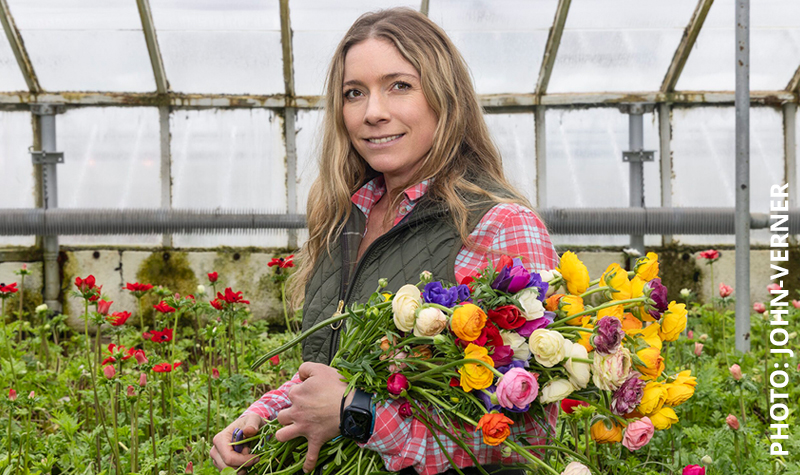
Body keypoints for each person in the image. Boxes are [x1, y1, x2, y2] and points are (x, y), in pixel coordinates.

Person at [210, 7, 560, 475]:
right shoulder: (343, 217)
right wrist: (267, 413)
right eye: (354, 93)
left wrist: (359, 415)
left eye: (399, 85)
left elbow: (526, 434)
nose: (373, 112)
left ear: (445, 97)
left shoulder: (499, 225)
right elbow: (329, 372)